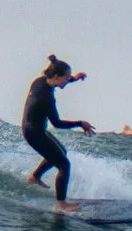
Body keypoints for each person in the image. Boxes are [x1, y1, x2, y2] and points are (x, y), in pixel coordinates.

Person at [21, 55, 94, 205]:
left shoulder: (40, 81)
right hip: (34, 133)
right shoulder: (46, 97)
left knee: (61, 153)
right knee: (64, 165)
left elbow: (59, 80)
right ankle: (61, 204)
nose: (68, 80)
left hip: (33, 129)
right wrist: (80, 123)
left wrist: (74, 78)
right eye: (66, 77)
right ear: (56, 76)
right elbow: (57, 123)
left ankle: (35, 177)